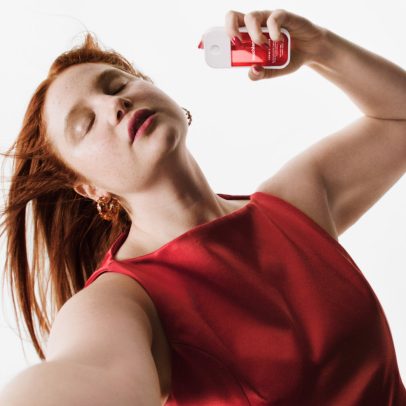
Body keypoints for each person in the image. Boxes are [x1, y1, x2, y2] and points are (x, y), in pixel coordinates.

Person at [1, 7, 405, 406]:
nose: (114, 105)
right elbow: (91, 373)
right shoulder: (119, 300)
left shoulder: (294, 205)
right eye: (85, 124)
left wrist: (321, 48)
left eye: (116, 85)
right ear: (89, 188)